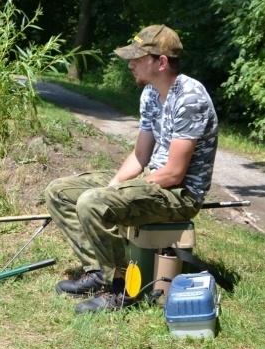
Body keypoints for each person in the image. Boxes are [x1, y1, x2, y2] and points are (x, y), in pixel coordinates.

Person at [43, 24, 218, 313]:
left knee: (94, 202)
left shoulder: (190, 98)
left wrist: (114, 193)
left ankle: (123, 289)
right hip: (155, 182)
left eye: (137, 58)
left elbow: (174, 173)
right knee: (60, 192)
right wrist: (114, 184)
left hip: (180, 193)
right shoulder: (150, 94)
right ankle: (98, 271)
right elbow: (140, 155)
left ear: (161, 62)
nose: (130, 64)